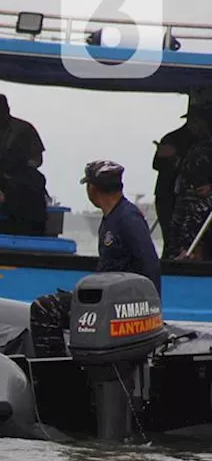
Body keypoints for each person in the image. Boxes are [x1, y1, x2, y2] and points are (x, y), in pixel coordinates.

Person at [29, 160, 162, 358]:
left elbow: (150, 263)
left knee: (44, 308)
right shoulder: (112, 217)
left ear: (92, 188)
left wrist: (153, 312)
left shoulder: (128, 219)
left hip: (121, 305)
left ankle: (56, 376)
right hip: (107, 297)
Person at [0, 93, 45, 190]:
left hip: (23, 185)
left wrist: (22, 167)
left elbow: (37, 158)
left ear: (7, 110)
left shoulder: (25, 129)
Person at [170, 106, 212, 260]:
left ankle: (195, 265)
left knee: (197, 234)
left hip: (202, 200)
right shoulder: (194, 144)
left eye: (196, 122)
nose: (192, 126)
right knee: (178, 232)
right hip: (186, 197)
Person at [152, 118, 195, 258]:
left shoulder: (202, 140)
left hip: (188, 196)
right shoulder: (171, 138)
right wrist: (169, 156)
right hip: (167, 194)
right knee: (170, 234)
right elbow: (156, 164)